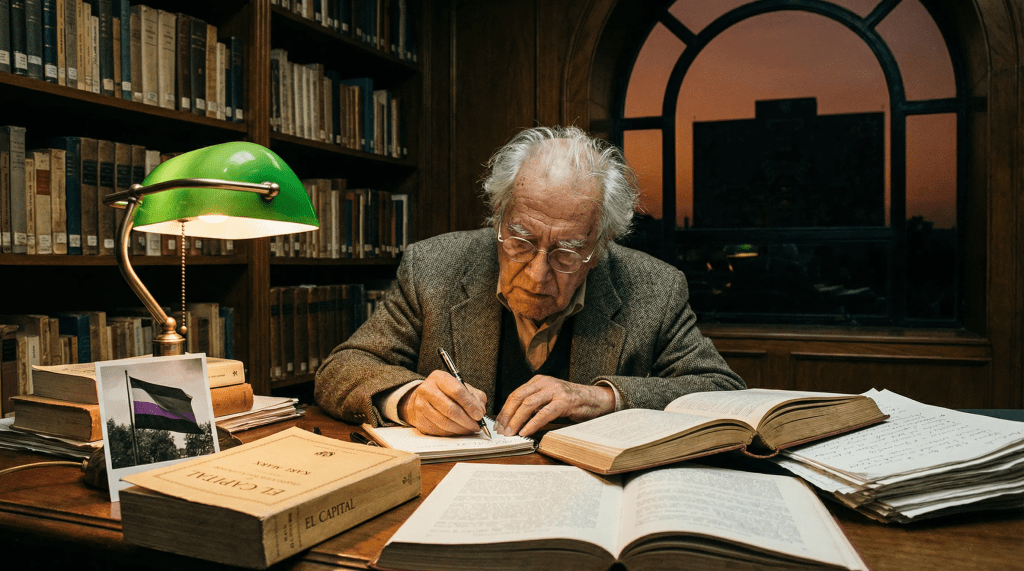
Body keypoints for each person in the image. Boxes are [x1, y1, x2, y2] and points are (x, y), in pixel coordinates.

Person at [314, 126, 745, 437]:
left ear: (600, 244)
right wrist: (407, 400)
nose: (538, 274)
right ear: (499, 217)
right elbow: (340, 370)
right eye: (521, 241)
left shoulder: (654, 287)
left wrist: (602, 398)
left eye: (567, 253)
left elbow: (721, 392)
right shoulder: (434, 267)